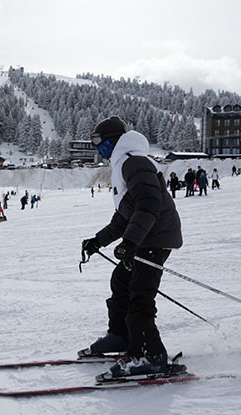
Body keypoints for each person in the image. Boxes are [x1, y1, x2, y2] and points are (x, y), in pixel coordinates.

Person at [80, 116, 183, 379]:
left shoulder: (134, 162)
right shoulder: (125, 164)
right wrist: (98, 241)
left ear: (112, 140)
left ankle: (149, 355)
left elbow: (149, 206)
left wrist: (130, 243)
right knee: (122, 281)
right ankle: (121, 336)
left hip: (155, 238)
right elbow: (124, 216)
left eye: (97, 141)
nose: (96, 147)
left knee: (140, 295)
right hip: (145, 237)